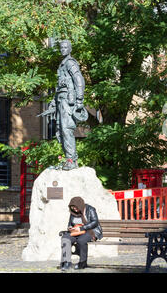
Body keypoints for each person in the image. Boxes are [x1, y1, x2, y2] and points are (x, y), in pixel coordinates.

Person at [39, 39, 87, 170]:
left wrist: (79, 101)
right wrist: (54, 102)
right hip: (61, 100)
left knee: (66, 129)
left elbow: (79, 80)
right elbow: (59, 87)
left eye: (66, 47)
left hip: (68, 101)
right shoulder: (62, 65)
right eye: (61, 47)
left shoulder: (70, 63)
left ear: (70, 49)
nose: (63, 49)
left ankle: (72, 160)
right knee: (60, 130)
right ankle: (68, 159)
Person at [60, 196, 102, 271]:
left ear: (80, 205)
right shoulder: (73, 212)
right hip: (76, 232)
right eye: (73, 208)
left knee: (81, 240)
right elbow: (70, 223)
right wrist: (70, 228)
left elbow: (95, 222)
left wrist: (81, 228)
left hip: (90, 231)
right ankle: (67, 262)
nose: (75, 210)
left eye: (76, 208)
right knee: (65, 238)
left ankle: (83, 262)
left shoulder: (90, 209)